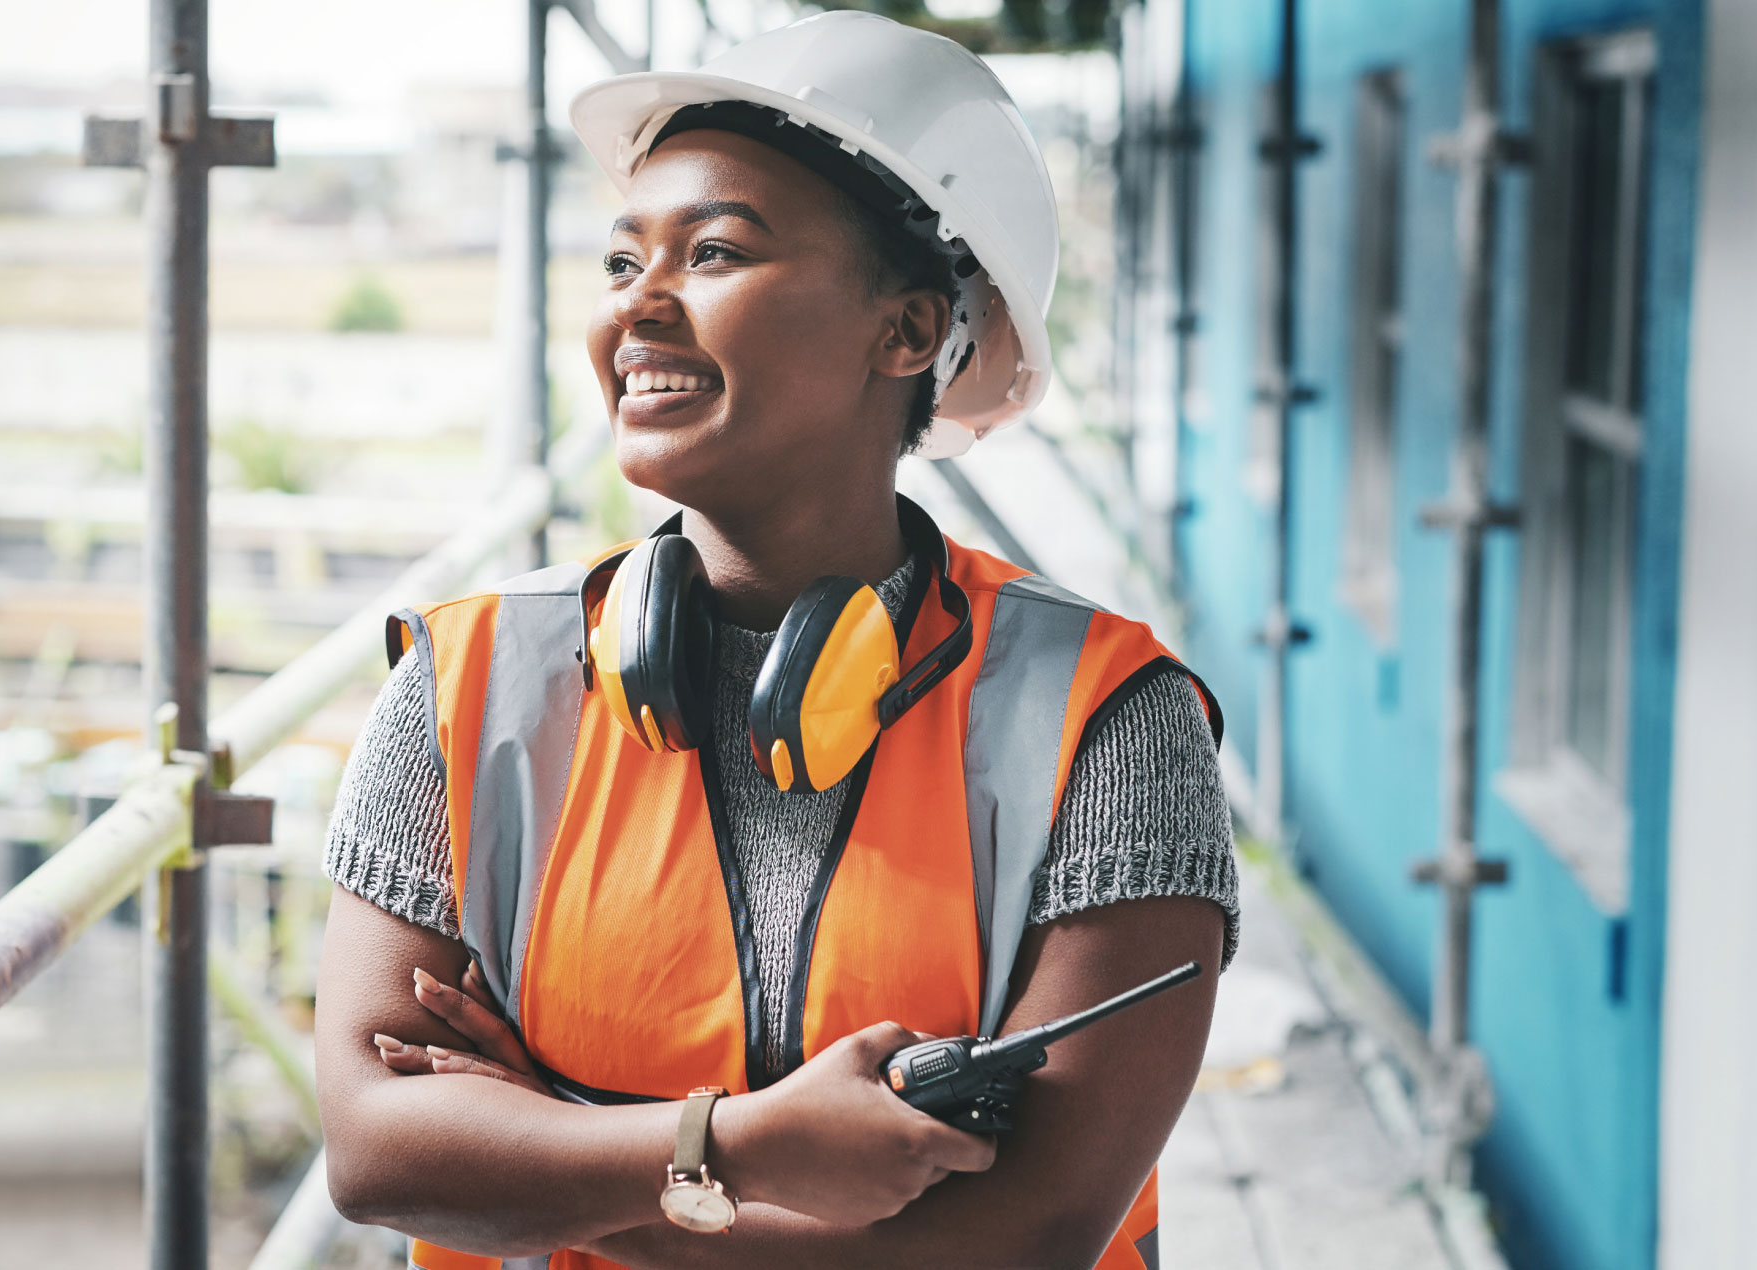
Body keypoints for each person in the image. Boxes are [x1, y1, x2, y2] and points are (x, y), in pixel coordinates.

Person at [313, 13, 1236, 1269]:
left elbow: (1027, 1237)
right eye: (621, 260)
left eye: (715, 251)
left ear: (905, 333)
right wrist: (740, 1145)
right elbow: (379, 1154)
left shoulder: (1110, 718)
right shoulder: (465, 685)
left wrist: (551, 1141)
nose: (638, 304)